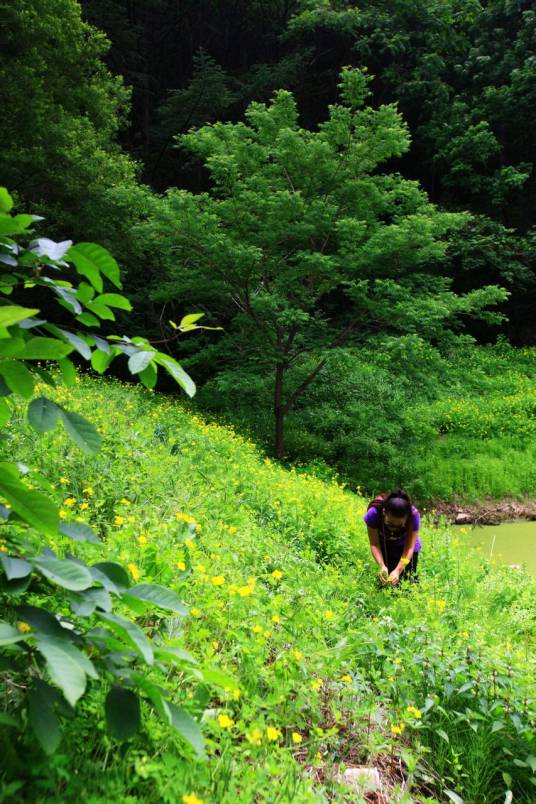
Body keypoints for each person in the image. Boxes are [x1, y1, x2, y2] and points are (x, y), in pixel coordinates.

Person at [364, 488, 421, 586]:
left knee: (406, 581)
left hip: (406, 546)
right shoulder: (374, 513)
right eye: (390, 524)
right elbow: (374, 544)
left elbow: (409, 548)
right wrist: (382, 565)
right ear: (384, 512)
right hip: (385, 543)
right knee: (386, 579)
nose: (393, 529)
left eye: (398, 526)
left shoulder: (413, 516)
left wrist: (398, 570)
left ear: (406, 517)